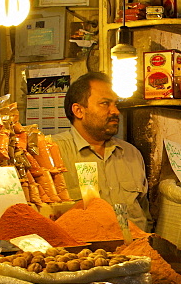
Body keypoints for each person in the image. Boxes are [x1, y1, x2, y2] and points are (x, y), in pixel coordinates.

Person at [53, 72, 151, 231]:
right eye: (105, 103)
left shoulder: (131, 154)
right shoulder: (53, 152)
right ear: (79, 111)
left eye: (116, 104)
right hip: (82, 254)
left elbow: (144, 212)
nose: (115, 111)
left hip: (136, 251)